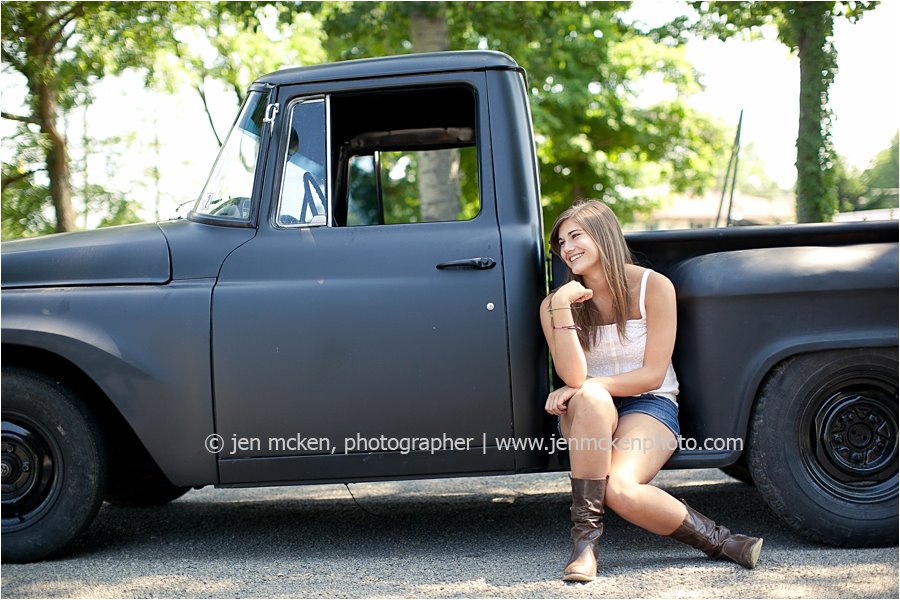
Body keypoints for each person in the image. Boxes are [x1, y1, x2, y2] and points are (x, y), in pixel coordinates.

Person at [540, 200, 763, 582]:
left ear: (604, 235)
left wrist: (587, 386)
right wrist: (561, 307)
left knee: (621, 490)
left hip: (650, 404)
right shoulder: (555, 305)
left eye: (576, 235)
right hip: (589, 412)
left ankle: (724, 542)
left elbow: (651, 374)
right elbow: (575, 377)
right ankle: (584, 546)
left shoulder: (653, 286)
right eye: (561, 242)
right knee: (591, 397)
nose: (567, 248)